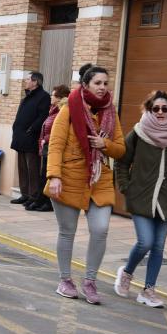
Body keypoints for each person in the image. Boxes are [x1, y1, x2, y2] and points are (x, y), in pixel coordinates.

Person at [44, 65, 125, 304]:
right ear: (86, 84)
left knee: (100, 230)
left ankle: (90, 281)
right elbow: (56, 145)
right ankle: (65, 280)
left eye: (105, 83)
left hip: (100, 179)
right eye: (98, 83)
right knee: (67, 232)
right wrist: (54, 176)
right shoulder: (69, 108)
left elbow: (120, 149)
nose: (102, 87)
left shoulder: (111, 112)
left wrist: (104, 145)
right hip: (69, 177)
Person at [114, 91, 167, 308]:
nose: (161, 112)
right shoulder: (139, 132)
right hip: (141, 197)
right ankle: (126, 273)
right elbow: (122, 162)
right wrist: (126, 187)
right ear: (149, 110)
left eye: (165, 108)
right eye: (156, 108)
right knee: (145, 241)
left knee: (159, 246)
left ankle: (148, 290)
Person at [10, 72, 51, 208]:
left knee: (32, 168)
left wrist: (32, 128)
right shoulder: (27, 96)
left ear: (35, 82)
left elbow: (42, 115)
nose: (25, 81)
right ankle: (25, 194)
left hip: (31, 138)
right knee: (22, 167)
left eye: (28, 79)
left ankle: (33, 195)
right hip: (20, 137)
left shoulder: (43, 96)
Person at [28, 84, 71, 212]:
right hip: (47, 145)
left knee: (47, 175)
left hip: (52, 146)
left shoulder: (61, 111)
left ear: (59, 98)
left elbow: (58, 131)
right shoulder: (53, 109)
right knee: (43, 175)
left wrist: (45, 140)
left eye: (53, 95)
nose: (50, 97)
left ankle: (48, 202)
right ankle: (41, 200)